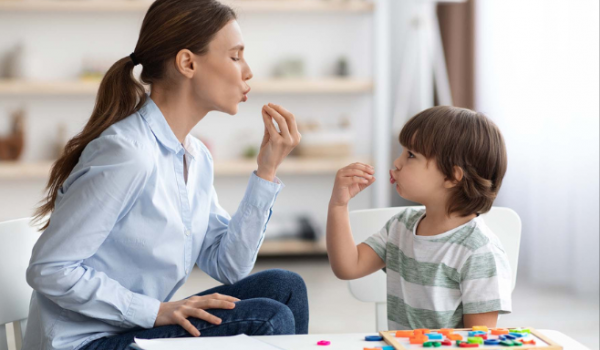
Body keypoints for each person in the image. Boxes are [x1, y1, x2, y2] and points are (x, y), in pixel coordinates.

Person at [23, 1, 307, 349]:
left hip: (134, 330)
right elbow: (49, 269)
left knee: (286, 287)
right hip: (88, 342)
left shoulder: (196, 156)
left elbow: (228, 265)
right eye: (235, 56)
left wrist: (266, 171)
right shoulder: (127, 153)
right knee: (269, 318)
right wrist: (156, 311)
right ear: (188, 63)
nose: (247, 72)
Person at [326, 106, 511, 330]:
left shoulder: (479, 251)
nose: (397, 162)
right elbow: (348, 266)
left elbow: (479, 341)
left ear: (452, 176)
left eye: (411, 155)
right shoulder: (400, 226)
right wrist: (339, 204)